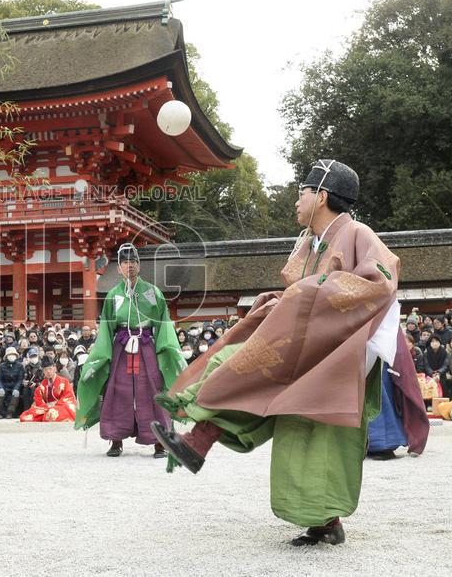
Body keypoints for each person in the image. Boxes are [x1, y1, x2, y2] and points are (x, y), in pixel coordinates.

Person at [151, 159, 402, 546]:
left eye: (301, 193)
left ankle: (327, 519)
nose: (295, 201)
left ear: (321, 196)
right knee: (243, 370)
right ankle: (201, 437)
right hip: (306, 340)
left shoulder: (357, 233)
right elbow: (298, 292)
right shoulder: (307, 243)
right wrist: (287, 299)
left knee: (318, 429)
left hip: (340, 347)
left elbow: (380, 282)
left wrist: (312, 291)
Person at [75, 242, 184, 459]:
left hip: (146, 346)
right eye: (125, 262)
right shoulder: (113, 296)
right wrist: (97, 359)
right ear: (119, 268)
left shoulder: (152, 293)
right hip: (121, 348)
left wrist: (171, 351)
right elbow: (106, 329)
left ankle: (160, 442)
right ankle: (116, 440)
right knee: (116, 390)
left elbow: (163, 323)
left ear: (139, 265)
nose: (130, 266)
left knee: (153, 390)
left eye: (133, 262)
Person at [0, 347, 24, 418]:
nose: (11, 356)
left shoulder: (20, 366)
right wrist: (0, 388)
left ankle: (10, 413)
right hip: (5, 386)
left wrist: (16, 388)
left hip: (14, 385)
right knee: (0, 394)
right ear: (6, 356)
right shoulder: (2, 365)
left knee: (15, 395)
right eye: (10, 354)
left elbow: (20, 379)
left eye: (13, 354)